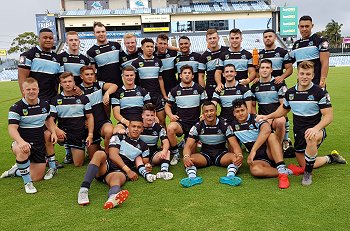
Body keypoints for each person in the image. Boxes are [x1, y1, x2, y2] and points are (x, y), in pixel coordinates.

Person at [256, 61, 346, 186]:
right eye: (302, 73)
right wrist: (267, 116)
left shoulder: (320, 92)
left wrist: (316, 128)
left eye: (308, 74)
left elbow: (329, 116)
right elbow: (283, 110)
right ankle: (331, 158)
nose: (304, 77)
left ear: (313, 75)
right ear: (297, 75)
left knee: (311, 138)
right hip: (299, 133)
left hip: (316, 130)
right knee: (305, 163)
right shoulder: (291, 93)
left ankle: (307, 175)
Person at [77, 120, 156, 209]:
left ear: (142, 129)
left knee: (117, 178)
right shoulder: (118, 136)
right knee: (99, 154)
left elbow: (146, 162)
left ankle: (112, 198)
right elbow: (113, 155)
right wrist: (128, 170)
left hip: (119, 172)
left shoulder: (144, 146)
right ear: (128, 127)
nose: (136, 129)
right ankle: (84, 190)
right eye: (133, 126)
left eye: (139, 127)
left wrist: (147, 167)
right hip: (106, 166)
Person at [1, 78, 57, 193]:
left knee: (37, 177)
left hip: (38, 144)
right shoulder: (16, 107)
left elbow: (48, 120)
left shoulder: (45, 105)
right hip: (22, 143)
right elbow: (12, 128)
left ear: (38, 90)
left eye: (34, 89)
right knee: (22, 150)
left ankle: (16, 170)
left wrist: (54, 132)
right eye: (28, 89)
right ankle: (27, 183)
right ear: (23, 91)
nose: (31, 91)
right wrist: (21, 142)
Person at [180, 101, 243, 188]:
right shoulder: (197, 126)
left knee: (235, 158)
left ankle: (230, 177)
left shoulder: (224, 125)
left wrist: (240, 155)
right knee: (188, 160)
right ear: (203, 113)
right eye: (206, 111)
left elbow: (235, 145)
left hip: (221, 154)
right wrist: (186, 157)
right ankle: (192, 178)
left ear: (216, 111)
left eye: (211, 110)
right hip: (205, 155)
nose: (209, 113)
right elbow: (188, 146)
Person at [230, 99, 290, 189]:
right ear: (234, 113)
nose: (240, 113)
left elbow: (267, 129)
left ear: (247, 109)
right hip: (259, 159)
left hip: (271, 152)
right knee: (255, 170)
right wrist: (239, 155)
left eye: (242, 110)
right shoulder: (232, 126)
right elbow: (234, 144)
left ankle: (281, 169)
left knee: (271, 136)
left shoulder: (256, 118)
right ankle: (285, 171)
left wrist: (253, 150)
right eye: (237, 111)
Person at [47, 72, 94, 169]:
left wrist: (90, 134)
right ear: (61, 84)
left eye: (70, 81)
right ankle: (49, 159)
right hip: (63, 133)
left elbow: (90, 117)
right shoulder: (55, 100)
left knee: (78, 163)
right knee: (47, 135)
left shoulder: (83, 98)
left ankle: (72, 149)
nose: (67, 84)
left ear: (74, 83)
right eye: (64, 82)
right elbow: (50, 119)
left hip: (78, 133)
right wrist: (56, 130)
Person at [165, 65, 207, 165]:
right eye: (185, 73)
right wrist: (171, 115)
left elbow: (205, 104)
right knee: (170, 128)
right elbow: (167, 105)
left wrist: (203, 114)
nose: (187, 75)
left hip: (195, 124)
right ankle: (175, 153)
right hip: (181, 123)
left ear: (192, 76)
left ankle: (186, 141)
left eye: (189, 73)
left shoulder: (199, 89)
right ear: (180, 76)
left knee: (191, 154)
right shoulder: (175, 90)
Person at [79, 66, 117, 158]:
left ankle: (108, 154)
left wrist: (107, 94)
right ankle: (98, 147)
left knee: (109, 131)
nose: (90, 76)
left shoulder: (99, 85)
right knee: (93, 156)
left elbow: (114, 86)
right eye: (87, 74)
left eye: (92, 74)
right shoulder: (78, 90)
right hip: (89, 127)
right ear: (81, 76)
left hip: (102, 122)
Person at [18, 28, 63, 102]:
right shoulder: (28, 55)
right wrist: (26, 99)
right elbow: (22, 78)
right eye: (45, 38)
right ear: (39, 39)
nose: (48, 40)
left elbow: (61, 80)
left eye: (51, 38)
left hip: (52, 101)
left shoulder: (58, 59)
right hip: (35, 101)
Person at [131, 38, 167, 127]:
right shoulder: (136, 63)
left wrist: (164, 95)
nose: (150, 48)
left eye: (152, 46)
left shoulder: (158, 62)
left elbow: (160, 79)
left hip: (157, 95)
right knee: (144, 122)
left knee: (162, 121)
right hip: (143, 96)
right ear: (142, 48)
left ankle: (165, 140)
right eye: (147, 46)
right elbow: (133, 82)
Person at [251, 59, 287, 144]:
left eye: (267, 67)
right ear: (259, 70)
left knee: (281, 121)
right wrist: (256, 118)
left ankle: (279, 145)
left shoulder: (279, 84)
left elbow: (284, 106)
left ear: (271, 70)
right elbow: (253, 106)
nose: (264, 70)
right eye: (262, 67)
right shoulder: (254, 86)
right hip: (262, 118)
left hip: (276, 117)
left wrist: (270, 117)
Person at [290, 15, 330, 88]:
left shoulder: (320, 41)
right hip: (301, 85)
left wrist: (322, 81)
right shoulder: (296, 45)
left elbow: (325, 62)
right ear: (298, 27)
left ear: (312, 26)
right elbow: (288, 63)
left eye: (307, 26)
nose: (304, 29)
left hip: (316, 84)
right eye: (302, 26)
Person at [112, 66, 151, 134]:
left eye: (131, 75)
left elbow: (149, 109)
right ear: (122, 76)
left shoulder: (143, 91)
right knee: (116, 132)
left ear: (134, 76)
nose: (129, 77)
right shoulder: (117, 93)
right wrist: (126, 122)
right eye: (127, 75)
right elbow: (116, 114)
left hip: (141, 122)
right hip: (125, 122)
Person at [139, 104, 173, 180]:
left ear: (155, 116)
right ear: (142, 116)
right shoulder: (138, 126)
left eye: (152, 115)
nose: (150, 118)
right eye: (147, 115)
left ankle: (163, 171)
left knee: (167, 152)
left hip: (153, 155)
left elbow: (166, 141)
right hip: (140, 156)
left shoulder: (159, 127)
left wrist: (164, 151)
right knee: (137, 158)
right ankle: (145, 173)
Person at [86, 21, 122, 87]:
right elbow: (93, 72)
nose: (101, 34)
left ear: (106, 32)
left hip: (120, 84)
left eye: (103, 31)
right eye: (98, 32)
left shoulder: (116, 45)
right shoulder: (91, 52)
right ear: (94, 34)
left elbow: (122, 63)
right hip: (105, 86)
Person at [198, 28, 229, 100]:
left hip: (226, 85)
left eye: (214, 38)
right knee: (211, 110)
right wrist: (203, 91)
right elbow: (201, 76)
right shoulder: (203, 56)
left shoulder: (226, 50)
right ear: (207, 40)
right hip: (211, 87)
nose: (212, 40)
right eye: (210, 38)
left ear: (218, 38)